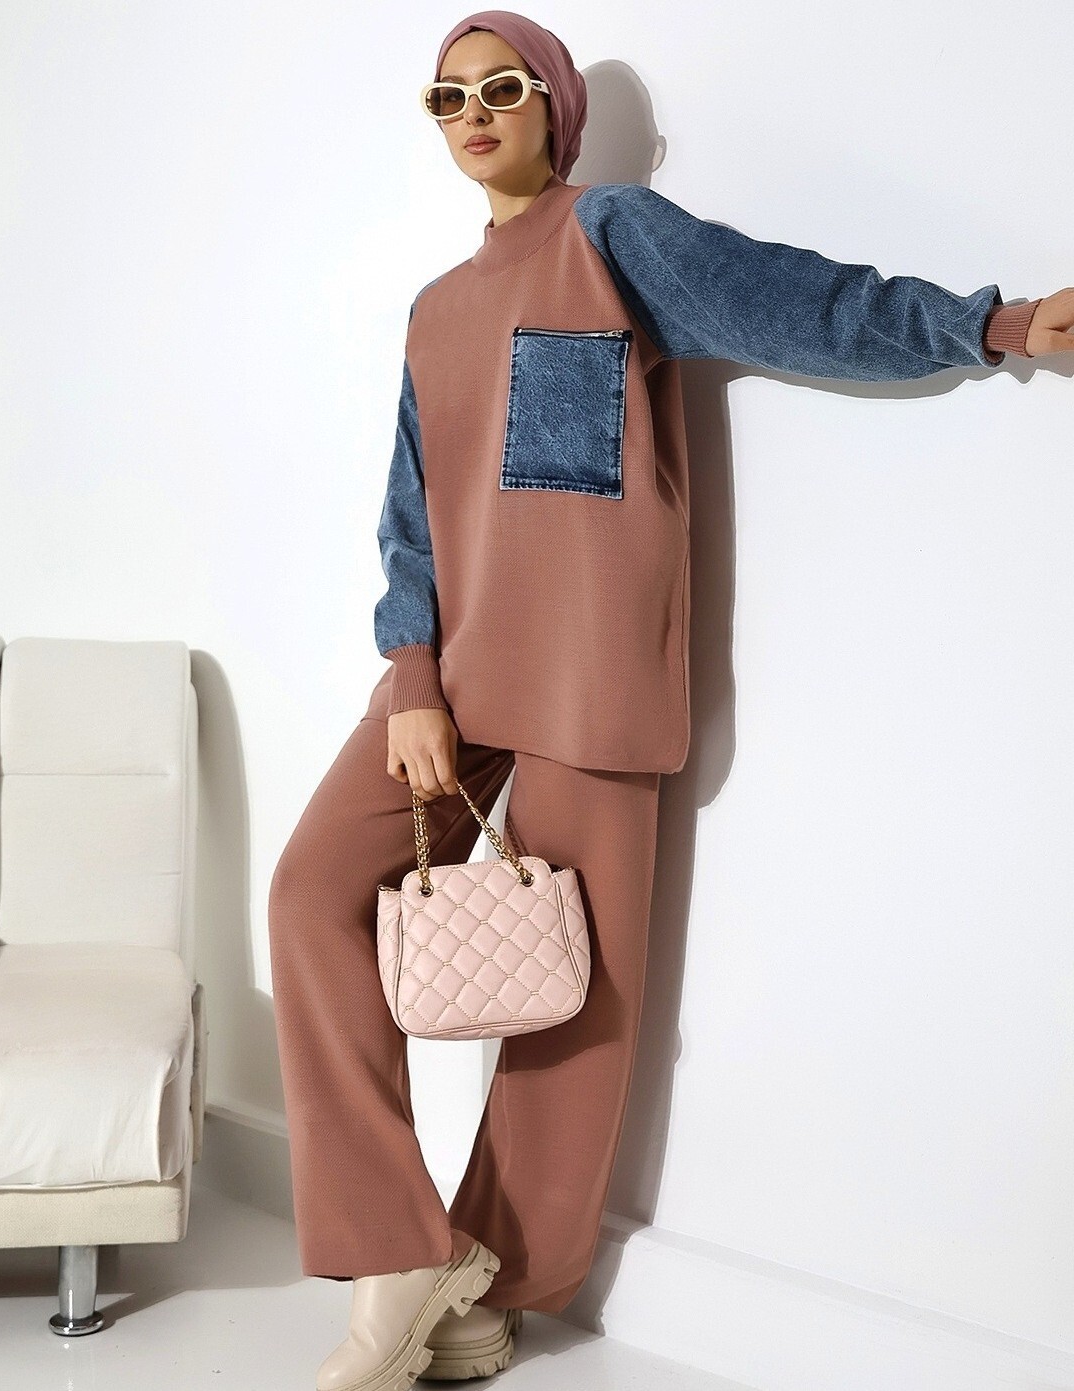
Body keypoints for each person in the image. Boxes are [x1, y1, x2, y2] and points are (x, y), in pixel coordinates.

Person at [268, 11, 1072, 1390]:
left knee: (574, 998)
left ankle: (493, 1289)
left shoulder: (612, 232)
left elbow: (792, 299)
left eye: (502, 87)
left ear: (554, 106)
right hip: (453, 683)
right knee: (309, 896)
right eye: (448, 97)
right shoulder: (434, 308)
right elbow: (412, 519)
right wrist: (411, 676)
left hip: (593, 669)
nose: (474, 112)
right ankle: (401, 1250)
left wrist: (984, 325)